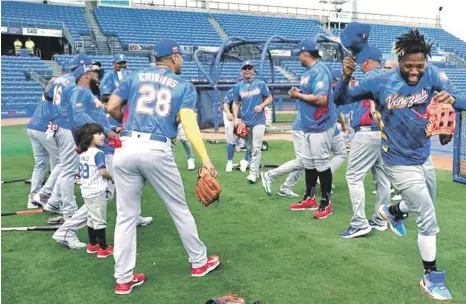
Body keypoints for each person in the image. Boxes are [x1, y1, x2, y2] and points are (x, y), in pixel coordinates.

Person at [335, 28, 466, 301]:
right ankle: (430, 276)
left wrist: (452, 98)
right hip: (396, 161)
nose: (415, 71)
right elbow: (340, 100)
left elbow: (461, 98)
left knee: (426, 200)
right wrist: (346, 77)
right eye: (410, 66)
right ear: (400, 59)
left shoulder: (432, 75)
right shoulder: (379, 79)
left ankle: (393, 211)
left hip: (423, 156)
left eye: (420, 65)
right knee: (428, 217)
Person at [107, 39, 220, 295]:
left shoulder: (134, 76)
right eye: (180, 58)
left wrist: (124, 123)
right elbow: (189, 126)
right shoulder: (183, 85)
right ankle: (199, 263)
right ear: (174, 58)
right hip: (156, 149)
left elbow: (112, 107)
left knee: (126, 217)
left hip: (125, 147)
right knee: (179, 209)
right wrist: (205, 158)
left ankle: (123, 280)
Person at [52, 63, 152, 249]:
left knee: (116, 188)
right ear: (86, 75)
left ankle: (133, 215)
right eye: (94, 72)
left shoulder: (88, 93)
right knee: (105, 194)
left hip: (105, 145)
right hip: (100, 149)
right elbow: (79, 118)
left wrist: (112, 128)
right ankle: (66, 230)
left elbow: (95, 118)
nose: (98, 74)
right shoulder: (79, 92)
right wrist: (105, 131)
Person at [335, 45, 391, 238]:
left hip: (368, 132)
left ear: (366, 62)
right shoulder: (388, 77)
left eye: (361, 62)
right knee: (382, 178)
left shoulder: (369, 77)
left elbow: (340, 98)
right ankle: (381, 220)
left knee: (354, 176)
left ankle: (359, 223)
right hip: (384, 134)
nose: (359, 65)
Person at [285, 38, 337, 220]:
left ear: (305, 53)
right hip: (309, 125)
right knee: (308, 162)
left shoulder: (320, 70)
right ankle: (309, 197)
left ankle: (326, 202)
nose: (298, 57)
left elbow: (321, 99)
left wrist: (298, 95)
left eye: (299, 54)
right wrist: (298, 94)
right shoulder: (309, 72)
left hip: (320, 124)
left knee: (322, 164)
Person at [75, 123, 113, 258]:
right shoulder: (98, 153)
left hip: (86, 191)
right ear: (89, 137)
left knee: (91, 218)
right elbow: (102, 172)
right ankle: (103, 248)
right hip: (96, 191)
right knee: (99, 220)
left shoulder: (83, 153)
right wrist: (112, 177)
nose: (102, 136)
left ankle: (92, 245)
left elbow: (79, 173)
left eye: (102, 133)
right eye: (98, 133)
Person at [231, 61, 273, 183]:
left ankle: (253, 173)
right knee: (249, 148)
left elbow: (269, 97)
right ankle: (255, 171)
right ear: (242, 71)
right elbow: (236, 102)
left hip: (259, 120)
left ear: (253, 70)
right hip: (246, 121)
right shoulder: (238, 86)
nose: (247, 70)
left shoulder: (260, 84)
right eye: (245, 68)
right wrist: (236, 118)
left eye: (249, 68)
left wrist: (262, 105)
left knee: (256, 147)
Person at [26, 94, 61, 209]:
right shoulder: (61, 90)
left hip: (32, 127)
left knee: (40, 164)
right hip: (44, 129)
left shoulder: (50, 89)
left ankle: (32, 199)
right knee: (62, 160)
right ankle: (52, 196)